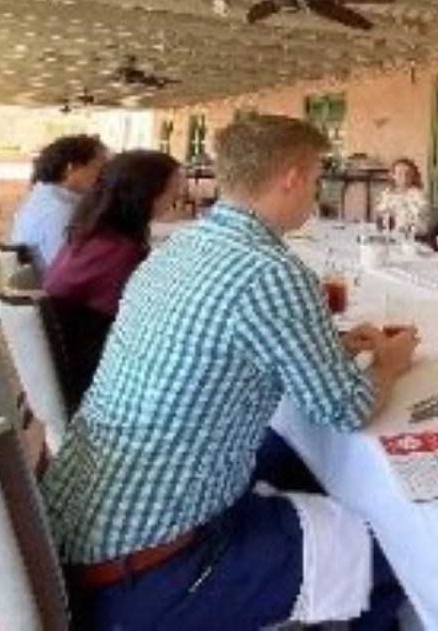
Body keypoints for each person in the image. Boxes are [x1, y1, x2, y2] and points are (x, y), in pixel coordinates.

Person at [42, 115, 416, 630]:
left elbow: (233, 340)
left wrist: (329, 345)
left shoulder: (177, 250)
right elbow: (348, 409)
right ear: (290, 177)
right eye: (315, 178)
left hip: (78, 541)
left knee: (292, 456)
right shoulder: (273, 272)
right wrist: (391, 365)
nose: (315, 191)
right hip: (157, 572)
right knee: (400, 552)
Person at [43, 150, 184, 399]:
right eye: (173, 190)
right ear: (147, 194)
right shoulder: (119, 254)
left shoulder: (92, 234)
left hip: (68, 361)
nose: (177, 197)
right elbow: (142, 325)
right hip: (95, 378)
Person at [10, 134, 109, 276]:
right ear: (71, 168)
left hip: (39, 279)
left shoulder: (45, 194)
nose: (103, 175)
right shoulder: (59, 209)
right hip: (48, 289)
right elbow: (65, 270)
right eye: (98, 167)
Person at [373, 157, 430, 234]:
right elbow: (381, 215)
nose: (404, 178)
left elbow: (419, 221)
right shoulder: (387, 194)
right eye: (399, 174)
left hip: (413, 237)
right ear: (393, 175)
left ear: (413, 176)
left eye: (408, 174)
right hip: (389, 235)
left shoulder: (419, 196)